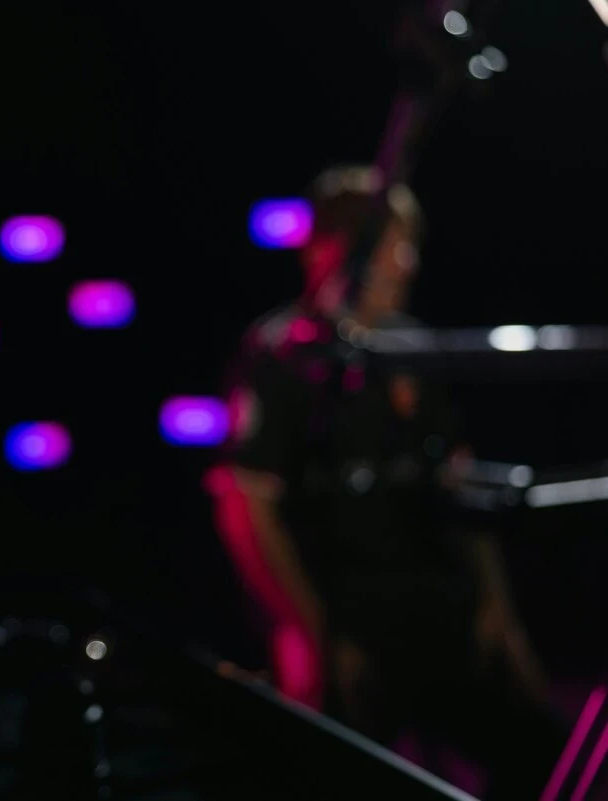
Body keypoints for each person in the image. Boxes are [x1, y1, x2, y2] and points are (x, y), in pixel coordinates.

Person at [221, 165, 567, 800]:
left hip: (436, 610)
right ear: (339, 251)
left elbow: (460, 486)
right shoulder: (286, 354)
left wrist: (498, 611)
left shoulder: (414, 347)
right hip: (347, 623)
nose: (407, 264)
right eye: (391, 246)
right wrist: (308, 633)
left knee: (547, 747)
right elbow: (249, 509)